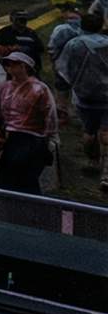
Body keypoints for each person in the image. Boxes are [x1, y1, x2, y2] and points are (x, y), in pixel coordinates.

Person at [53, 12, 108, 188]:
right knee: (106, 135)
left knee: (89, 133)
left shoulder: (73, 45)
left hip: (84, 98)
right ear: (101, 25)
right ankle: (106, 175)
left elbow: (63, 71)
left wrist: (63, 99)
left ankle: (93, 160)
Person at [0, 51, 57, 193]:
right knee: (5, 176)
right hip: (10, 137)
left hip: (32, 137)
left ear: (25, 67)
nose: (10, 67)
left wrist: (50, 137)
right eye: (8, 64)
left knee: (27, 178)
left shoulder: (39, 88)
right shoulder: (4, 87)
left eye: (15, 64)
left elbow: (50, 114)